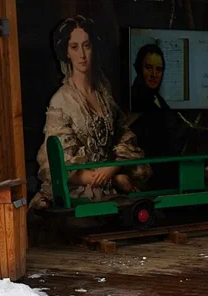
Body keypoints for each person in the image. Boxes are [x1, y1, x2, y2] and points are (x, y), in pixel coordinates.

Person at [31, 16, 149, 209]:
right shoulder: (61, 101)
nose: (82, 55)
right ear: (66, 53)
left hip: (108, 181)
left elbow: (123, 134)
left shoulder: (103, 92)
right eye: (75, 47)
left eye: (86, 46)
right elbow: (61, 164)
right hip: (79, 188)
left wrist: (113, 168)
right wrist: (107, 178)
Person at [128, 43, 177, 189]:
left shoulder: (157, 99)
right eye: (149, 67)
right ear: (138, 68)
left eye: (159, 69)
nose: (154, 74)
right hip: (148, 182)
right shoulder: (133, 100)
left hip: (165, 178)